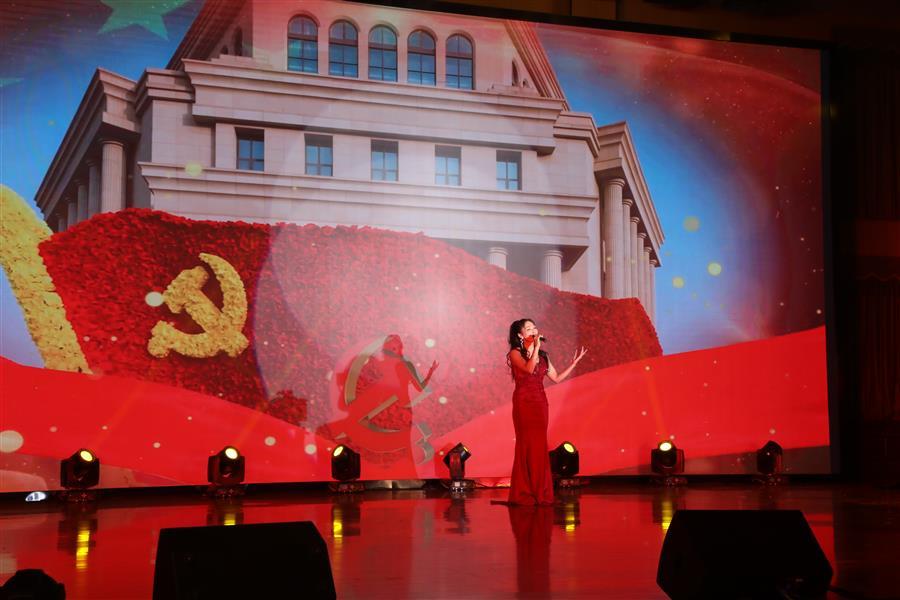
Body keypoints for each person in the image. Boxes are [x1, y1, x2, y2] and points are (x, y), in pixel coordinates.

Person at [506, 318, 587, 505]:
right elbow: (529, 369)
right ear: (520, 335)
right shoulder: (515, 353)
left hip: (540, 403)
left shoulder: (543, 356)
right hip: (524, 403)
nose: (533, 330)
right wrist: (535, 347)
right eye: (528, 328)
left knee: (539, 445)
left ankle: (540, 490)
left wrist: (573, 364)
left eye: (534, 327)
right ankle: (525, 491)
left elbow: (556, 378)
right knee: (527, 444)